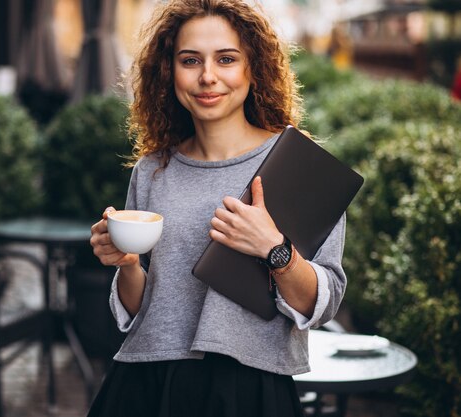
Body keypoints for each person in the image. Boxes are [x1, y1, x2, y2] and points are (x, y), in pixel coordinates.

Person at [89, 1, 347, 416]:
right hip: (147, 382)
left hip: (249, 388)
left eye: (226, 59)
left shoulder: (300, 167)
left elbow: (322, 304)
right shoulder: (153, 170)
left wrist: (275, 250)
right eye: (190, 60)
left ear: (253, 68)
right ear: (169, 70)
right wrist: (127, 264)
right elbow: (139, 311)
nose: (207, 76)